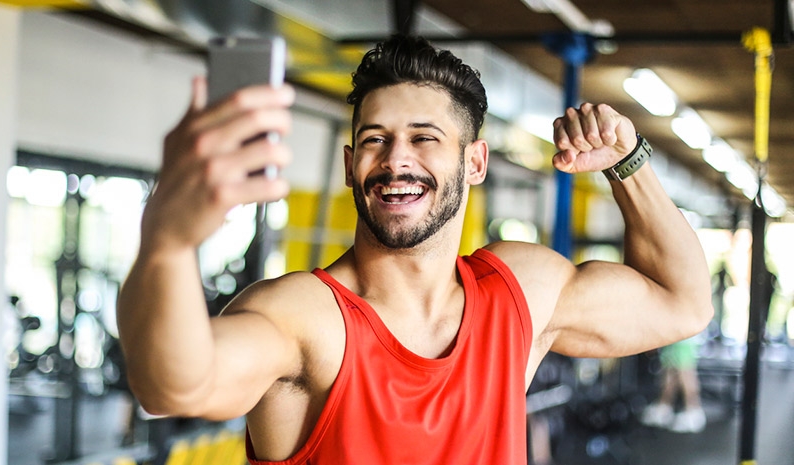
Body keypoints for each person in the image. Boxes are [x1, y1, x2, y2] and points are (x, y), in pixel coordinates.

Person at [116, 35, 713, 464]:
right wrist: (166, 243)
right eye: (375, 140)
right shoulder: (303, 318)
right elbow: (172, 387)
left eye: (424, 138)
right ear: (351, 165)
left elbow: (683, 303)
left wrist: (629, 166)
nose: (396, 159)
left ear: (473, 161)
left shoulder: (520, 291)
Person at [640, 338, 707, 433]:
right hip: (673, 338)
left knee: (685, 371)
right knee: (670, 371)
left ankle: (693, 410)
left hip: (684, 337)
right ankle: (664, 407)